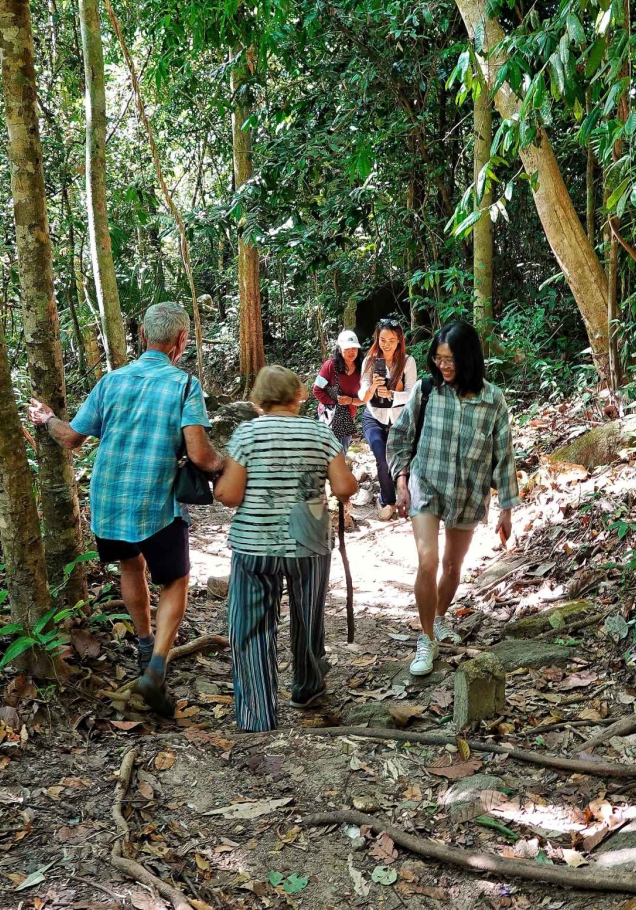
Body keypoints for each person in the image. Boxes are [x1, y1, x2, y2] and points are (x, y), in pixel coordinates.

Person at [27, 301, 223, 717]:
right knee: (175, 581)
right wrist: (229, 466)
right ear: (181, 341)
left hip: (110, 501)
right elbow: (201, 455)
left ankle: (144, 644)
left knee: (131, 566)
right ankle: (155, 668)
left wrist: (46, 418)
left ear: (142, 336)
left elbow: (71, 438)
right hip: (157, 502)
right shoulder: (184, 385)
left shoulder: (111, 381)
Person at [214, 365, 358, 731]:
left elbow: (229, 496)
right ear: (299, 396)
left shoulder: (246, 434)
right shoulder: (318, 432)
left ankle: (258, 715)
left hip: (254, 542)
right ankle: (307, 686)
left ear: (258, 401)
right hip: (308, 539)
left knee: (250, 627)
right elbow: (343, 488)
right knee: (308, 617)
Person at [388, 319, 519, 677]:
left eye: (451, 360)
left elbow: (502, 454)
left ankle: (441, 616)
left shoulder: (492, 399)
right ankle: (427, 638)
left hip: (468, 491)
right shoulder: (427, 390)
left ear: (469, 359)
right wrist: (401, 481)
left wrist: (507, 507)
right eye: (439, 359)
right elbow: (400, 437)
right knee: (428, 562)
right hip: (426, 484)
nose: (443, 366)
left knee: (451, 567)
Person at [359, 319, 419, 521]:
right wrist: (372, 388)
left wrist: (392, 394)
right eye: (382, 339)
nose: (386, 344)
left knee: (402, 458)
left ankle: (408, 497)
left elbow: (412, 393)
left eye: (391, 340)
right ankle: (387, 500)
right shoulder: (369, 361)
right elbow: (362, 396)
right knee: (382, 457)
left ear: (399, 340)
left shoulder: (407, 362)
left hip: (399, 418)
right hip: (374, 417)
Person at [313, 329, 364, 451]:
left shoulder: (362, 369)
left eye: (354, 348)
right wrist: (335, 404)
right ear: (340, 349)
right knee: (327, 451)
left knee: (342, 452)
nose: (351, 352)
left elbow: (364, 399)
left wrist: (350, 401)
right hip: (328, 415)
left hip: (347, 418)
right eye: (347, 348)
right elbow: (317, 389)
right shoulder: (330, 366)